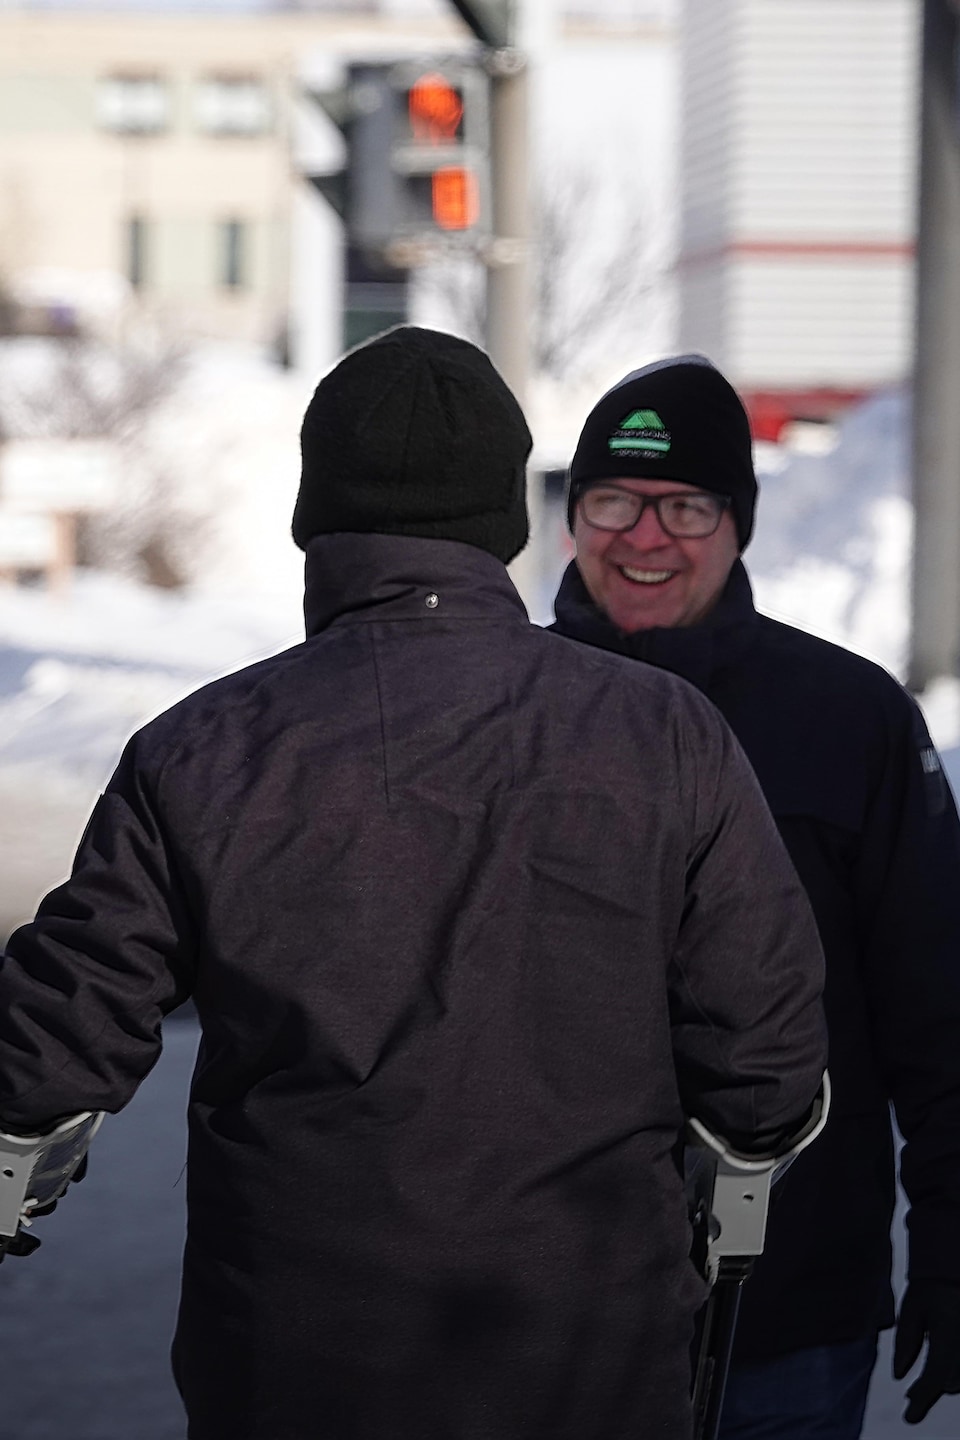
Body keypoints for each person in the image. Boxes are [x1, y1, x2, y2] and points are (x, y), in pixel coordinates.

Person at [0, 328, 826, 1440]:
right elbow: (766, 1051)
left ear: (318, 519)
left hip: (294, 1356)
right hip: (590, 1347)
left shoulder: (203, 748)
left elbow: (53, 1044)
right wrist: (734, 1169)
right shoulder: (666, 733)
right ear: (502, 519)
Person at [551, 352, 960, 1437]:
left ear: (741, 522)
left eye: (686, 505)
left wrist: (956, 1246)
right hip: (536, 1310)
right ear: (570, 516)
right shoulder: (506, 715)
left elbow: (938, 1011)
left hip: (788, 1305)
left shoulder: (848, 719)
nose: (644, 537)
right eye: (614, 501)